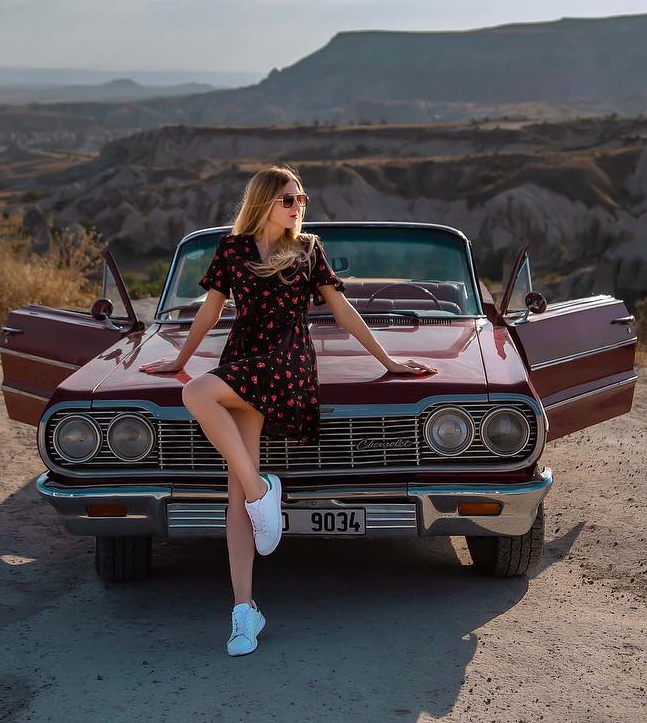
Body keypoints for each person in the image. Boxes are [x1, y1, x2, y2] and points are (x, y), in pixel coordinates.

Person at [137, 164, 438, 656]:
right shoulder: (232, 249)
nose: (299, 207)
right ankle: (244, 610)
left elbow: (341, 309)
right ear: (264, 202)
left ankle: (263, 491)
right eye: (289, 199)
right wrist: (179, 359)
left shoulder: (308, 249)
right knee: (236, 494)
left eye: (302, 199)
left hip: (287, 360)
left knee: (198, 396)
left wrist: (388, 360)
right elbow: (210, 310)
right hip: (242, 358)